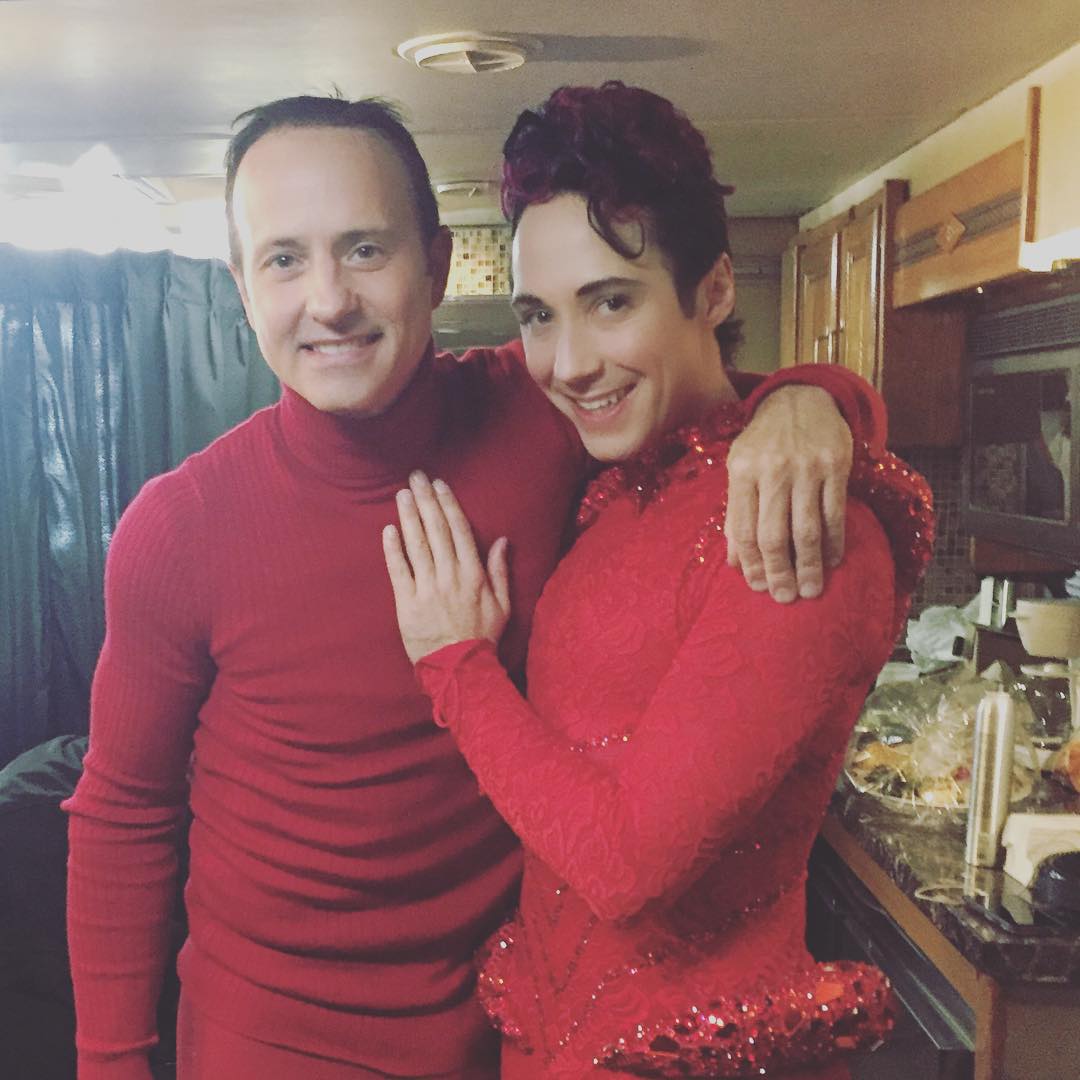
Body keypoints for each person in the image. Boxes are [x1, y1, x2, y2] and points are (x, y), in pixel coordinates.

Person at [63, 93, 918, 1080]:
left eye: (365, 249)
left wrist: (813, 401)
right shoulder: (178, 528)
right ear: (241, 289)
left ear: (435, 267)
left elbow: (694, 392)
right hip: (274, 1042)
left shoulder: (547, 409)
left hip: (507, 1031)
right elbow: (123, 816)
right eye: (284, 259)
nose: (329, 301)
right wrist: (109, 1064)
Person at [383, 83, 933, 1079]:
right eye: (538, 316)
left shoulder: (801, 516)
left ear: (714, 291)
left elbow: (626, 865)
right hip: (545, 1041)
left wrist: (456, 667)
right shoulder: (617, 483)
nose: (568, 363)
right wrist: (813, 392)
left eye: (611, 301)